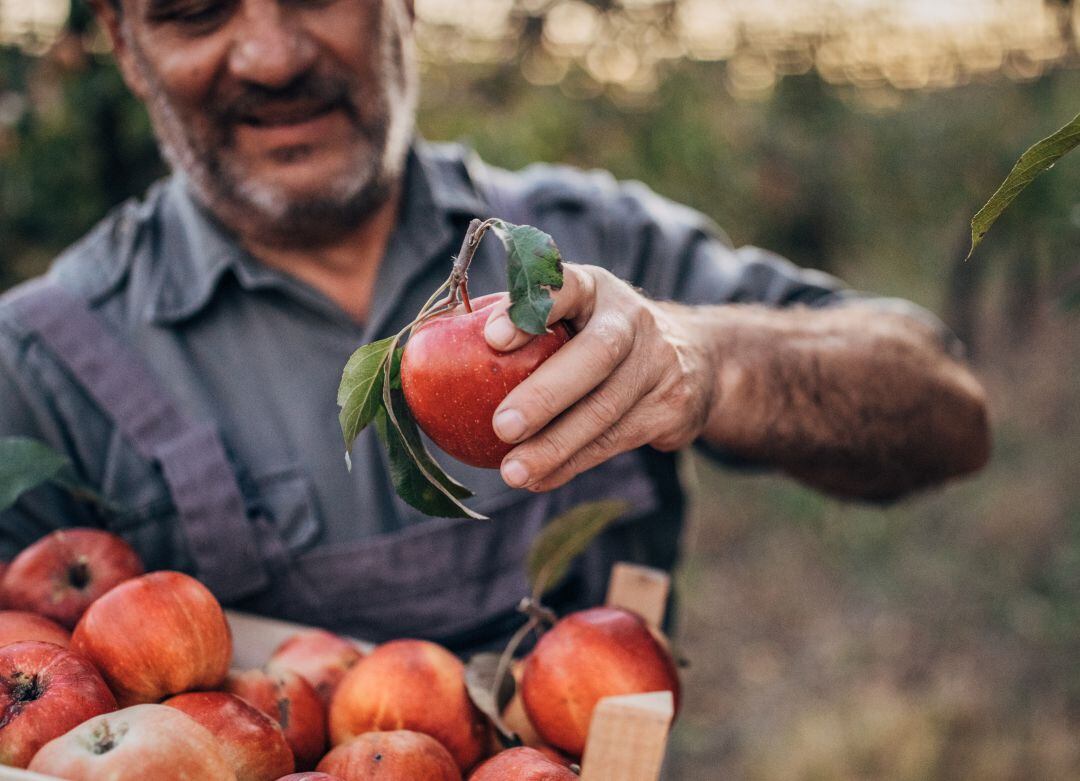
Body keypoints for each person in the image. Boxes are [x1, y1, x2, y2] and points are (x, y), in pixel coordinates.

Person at [0, 0, 988, 652]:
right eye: (192, 10)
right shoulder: (40, 367)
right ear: (126, 48)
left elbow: (948, 413)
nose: (271, 54)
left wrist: (708, 357)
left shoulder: (585, 245)